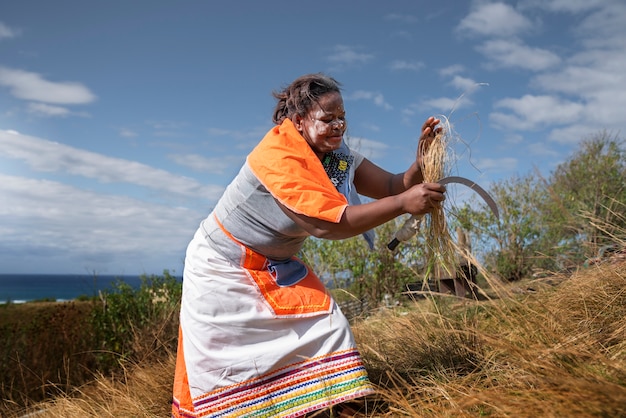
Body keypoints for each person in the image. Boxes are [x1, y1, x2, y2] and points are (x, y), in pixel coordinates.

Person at [172, 73, 446, 417]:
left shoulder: (337, 156)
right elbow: (324, 224)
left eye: (342, 117)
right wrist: (404, 204)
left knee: (329, 327)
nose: (339, 125)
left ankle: (341, 406)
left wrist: (421, 161)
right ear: (299, 121)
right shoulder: (279, 157)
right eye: (328, 118)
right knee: (228, 365)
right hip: (222, 270)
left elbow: (393, 185)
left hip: (273, 266)